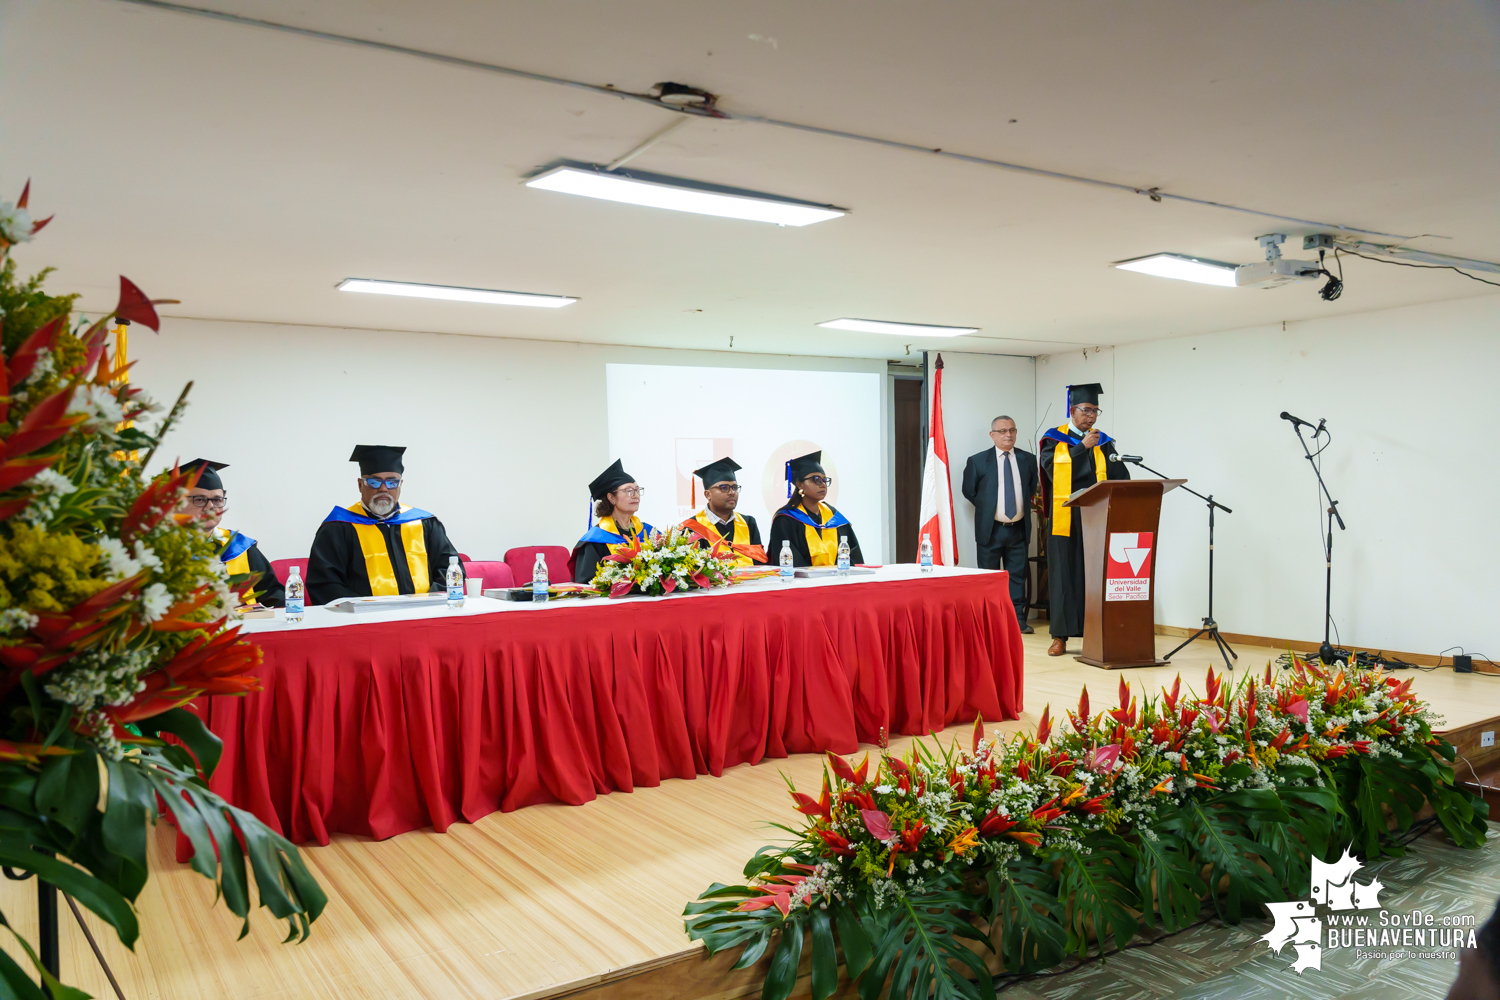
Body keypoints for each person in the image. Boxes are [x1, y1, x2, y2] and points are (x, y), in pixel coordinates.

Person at [305, 445, 463, 604]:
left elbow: (451, 570)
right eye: (374, 482)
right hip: (364, 621)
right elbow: (324, 584)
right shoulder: (338, 527)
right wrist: (366, 609)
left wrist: (427, 602)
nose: (383, 489)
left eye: (392, 482)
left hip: (424, 614)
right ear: (361, 485)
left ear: (400, 485)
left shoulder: (424, 523)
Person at [1038, 383, 1129, 656]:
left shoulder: (1103, 441)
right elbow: (1053, 470)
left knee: (1093, 576)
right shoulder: (1054, 439)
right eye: (1087, 410)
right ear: (1072, 410)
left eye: (1095, 411)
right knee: (1064, 576)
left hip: (1095, 517)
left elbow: (1120, 475)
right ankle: (1060, 637)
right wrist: (1080, 449)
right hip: (1066, 517)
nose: (1091, 416)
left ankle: (1096, 633)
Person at [961, 416, 1038, 633]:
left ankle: (1017, 620)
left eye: (1012, 430)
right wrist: (989, 509)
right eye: (1003, 431)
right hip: (991, 530)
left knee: (1017, 576)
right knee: (988, 577)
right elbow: (969, 491)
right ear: (992, 435)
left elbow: (1031, 488)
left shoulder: (1028, 460)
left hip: (1018, 529)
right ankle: (988, 620)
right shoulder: (977, 461)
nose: (1008, 435)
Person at [178, 458, 285, 608]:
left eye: (217, 500)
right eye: (200, 499)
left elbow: (273, 593)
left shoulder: (241, 547)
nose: (210, 507)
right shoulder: (161, 551)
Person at [766, 450, 864, 568]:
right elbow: (789, 563)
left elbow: (853, 556)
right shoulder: (786, 520)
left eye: (824, 480)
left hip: (836, 582)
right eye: (816, 479)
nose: (822, 484)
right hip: (803, 585)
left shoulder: (833, 516)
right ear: (800, 485)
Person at [573, 459, 655, 584]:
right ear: (611, 498)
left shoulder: (648, 533)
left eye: (637, 490)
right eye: (628, 490)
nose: (635, 495)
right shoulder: (595, 541)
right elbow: (587, 583)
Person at [682, 457, 762, 567]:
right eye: (724, 488)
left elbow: (760, 563)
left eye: (734, 487)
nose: (732, 492)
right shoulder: (691, 528)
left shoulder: (749, 523)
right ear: (708, 495)